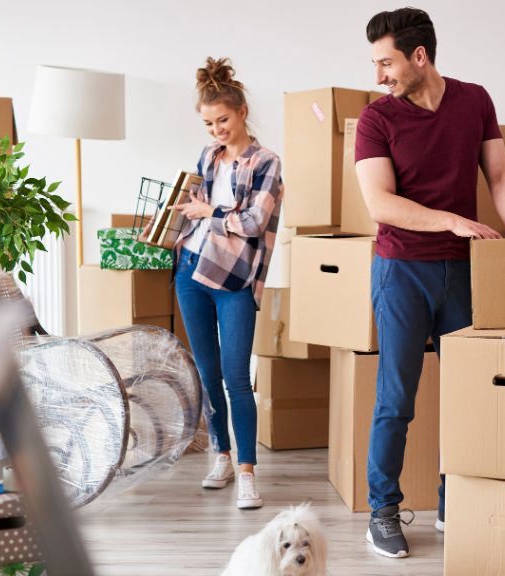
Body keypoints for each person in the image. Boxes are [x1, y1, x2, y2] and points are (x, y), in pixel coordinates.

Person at [354, 8, 505, 558]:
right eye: (376, 63)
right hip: (402, 270)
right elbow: (380, 202)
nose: (379, 74)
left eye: (386, 62)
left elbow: (499, 175)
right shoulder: (375, 118)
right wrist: (451, 219)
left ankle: (456, 501)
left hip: (465, 273)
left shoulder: (474, 100)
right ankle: (382, 511)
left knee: (468, 396)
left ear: (419, 56)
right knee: (396, 399)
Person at [170, 57, 283, 508]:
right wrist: (167, 229)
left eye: (223, 120)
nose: (216, 129)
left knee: (237, 377)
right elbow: (193, 209)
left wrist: (209, 214)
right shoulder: (208, 157)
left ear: (240, 113)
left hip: (234, 279)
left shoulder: (266, 162)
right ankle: (221, 454)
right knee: (207, 373)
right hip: (190, 272)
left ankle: (247, 473)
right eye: (208, 123)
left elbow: (255, 222)